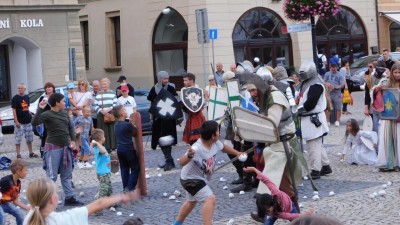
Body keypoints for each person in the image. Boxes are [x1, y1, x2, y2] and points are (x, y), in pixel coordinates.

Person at [173, 120, 247, 225]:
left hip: (198, 178)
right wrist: (189, 156)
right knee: (210, 199)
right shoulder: (197, 148)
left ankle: (176, 224)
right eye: (218, 131)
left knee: (191, 202)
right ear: (213, 136)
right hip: (190, 179)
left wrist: (237, 153)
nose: (219, 133)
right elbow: (181, 162)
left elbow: (224, 148)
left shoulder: (215, 143)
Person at [31, 93, 83, 206]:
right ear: (57, 102)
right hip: (52, 149)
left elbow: (70, 127)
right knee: (51, 176)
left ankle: (69, 198)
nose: (65, 103)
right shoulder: (47, 114)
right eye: (63, 101)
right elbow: (34, 122)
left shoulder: (64, 113)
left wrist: (73, 140)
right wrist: (40, 109)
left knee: (67, 175)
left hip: (66, 148)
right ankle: (47, 200)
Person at [23, 177, 140, 225]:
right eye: (55, 192)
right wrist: (122, 197)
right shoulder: (63, 219)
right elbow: (99, 203)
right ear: (51, 199)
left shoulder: (29, 219)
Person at [293, 60, 331, 180]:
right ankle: (326, 166)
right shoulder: (307, 83)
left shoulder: (316, 85)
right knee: (318, 145)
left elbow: (310, 104)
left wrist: (297, 110)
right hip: (310, 118)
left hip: (313, 118)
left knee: (313, 145)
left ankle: (316, 170)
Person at [244, 167, 313, 225]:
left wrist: (254, 169)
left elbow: (266, 180)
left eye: (268, 210)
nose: (269, 212)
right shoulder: (274, 213)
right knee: (268, 222)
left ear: (272, 202)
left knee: (297, 222)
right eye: (266, 212)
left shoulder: (276, 192)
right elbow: (282, 214)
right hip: (277, 212)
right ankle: (262, 218)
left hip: (290, 207)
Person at [147, 71, 179, 171]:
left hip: (169, 120)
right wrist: (151, 118)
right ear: (160, 79)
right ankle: (168, 160)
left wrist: (178, 117)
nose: (166, 80)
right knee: (160, 141)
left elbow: (176, 103)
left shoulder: (171, 88)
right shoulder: (154, 89)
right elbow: (152, 105)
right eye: (164, 79)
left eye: (167, 78)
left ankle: (169, 161)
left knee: (167, 140)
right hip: (158, 120)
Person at [376, 63, 400, 172]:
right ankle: (387, 162)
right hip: (388, 116)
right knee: (386, 138)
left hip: (398, 117)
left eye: (399, 72)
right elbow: (374, 91)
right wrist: (378, 89)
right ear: (392, 72)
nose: (397, 74)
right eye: (395, 72)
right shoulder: (385, 82)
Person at [112, 105, 140, 192]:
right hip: (128, 150)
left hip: (119, 150)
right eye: (124, 110)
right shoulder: (127, 125)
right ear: (121, 114)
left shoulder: (116, 125)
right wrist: (132, 125)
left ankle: (125, 187)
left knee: (124, 169)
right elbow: (135, 133)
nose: (126, 111)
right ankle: (130, 187)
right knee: (135, 167)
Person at [91, 129, 115, 215]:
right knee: (103, 190)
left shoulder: (101, 147)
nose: (105, 137)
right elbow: (103, 152)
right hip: (103, 173)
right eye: (104, 136)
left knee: (109, 189)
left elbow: (104, 158)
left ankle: (110, 203)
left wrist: (112, 162)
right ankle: (96, 207)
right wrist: (97, 143)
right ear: (101, 138)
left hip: (106, 172)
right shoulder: (98, 148)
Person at [12, 83, 38, 159]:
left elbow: (27, 108)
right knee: (18, 139)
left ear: (24, 89)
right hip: (19, 122)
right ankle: (18, 154)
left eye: (21, 88)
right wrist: (16, 121)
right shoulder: (15, 98)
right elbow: (14, 110)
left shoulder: (27, 97)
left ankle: (31, 152)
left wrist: (32, 115)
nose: (20, 89)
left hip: (28, 121)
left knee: (29, 138)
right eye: (19, 88)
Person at [0, 159, 30, 225]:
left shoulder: (18, 183)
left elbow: (15, 201)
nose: (27, 172)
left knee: (20, 214)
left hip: (4, 203)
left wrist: (29, 208)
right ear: (18, 171)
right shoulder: (6, 181)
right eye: (26, 170)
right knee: (2, 217)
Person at [182, 73, 206, 145]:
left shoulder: (198, 91)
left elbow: (203, 103)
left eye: (186, 80)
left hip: (198, 117)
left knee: (200, 138)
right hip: (189, 117)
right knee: (192, 142)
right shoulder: (184, 91)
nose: (184, 82)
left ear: (191, 81)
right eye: (184, 80)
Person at [94, 78, 117, 151]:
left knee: (111, 131)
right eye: (102, 84)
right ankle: (105, 147)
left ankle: (113, 147)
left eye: (105, 84)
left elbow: (115, 104)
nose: (103, 85)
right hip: (101, 115)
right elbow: (95, 105)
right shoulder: (98, 94)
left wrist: (108, 110)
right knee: (103, 131)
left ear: (109, 84)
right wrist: (101, 111)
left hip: (110, 114)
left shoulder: (113, 93)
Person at [364, 60, 385, 133]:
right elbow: (367, 94)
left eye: (383, 69)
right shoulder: (370, 79)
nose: (381, 71)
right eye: (380, 69)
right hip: (373, 106)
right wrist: (366, 107)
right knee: (374, 128)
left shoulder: (386, 79)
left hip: (384, 106)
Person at [38, 82, 56, 158]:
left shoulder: (55, 97)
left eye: (50, 87)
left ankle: (53, 150)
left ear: (53, 88)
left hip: (54, 119)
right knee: (45, 136)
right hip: (45, 119)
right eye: (47, 87)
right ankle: (42, 151)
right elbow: (39, 109)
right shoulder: (43, 98)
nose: (48, 88)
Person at [324, 61, 345, 126]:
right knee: (328, 108)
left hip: (337, 94)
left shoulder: (340, 75)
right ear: (330, 68)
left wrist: (335, 87)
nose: (333, 70)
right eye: (332, 68)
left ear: (336, 68)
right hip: (329, 93)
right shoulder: (327, 74)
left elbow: (342, 85)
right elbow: (324, 82)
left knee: (338, 108)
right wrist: (327, 84)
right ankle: (327, 121)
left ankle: (337, 121)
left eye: (334, 68)